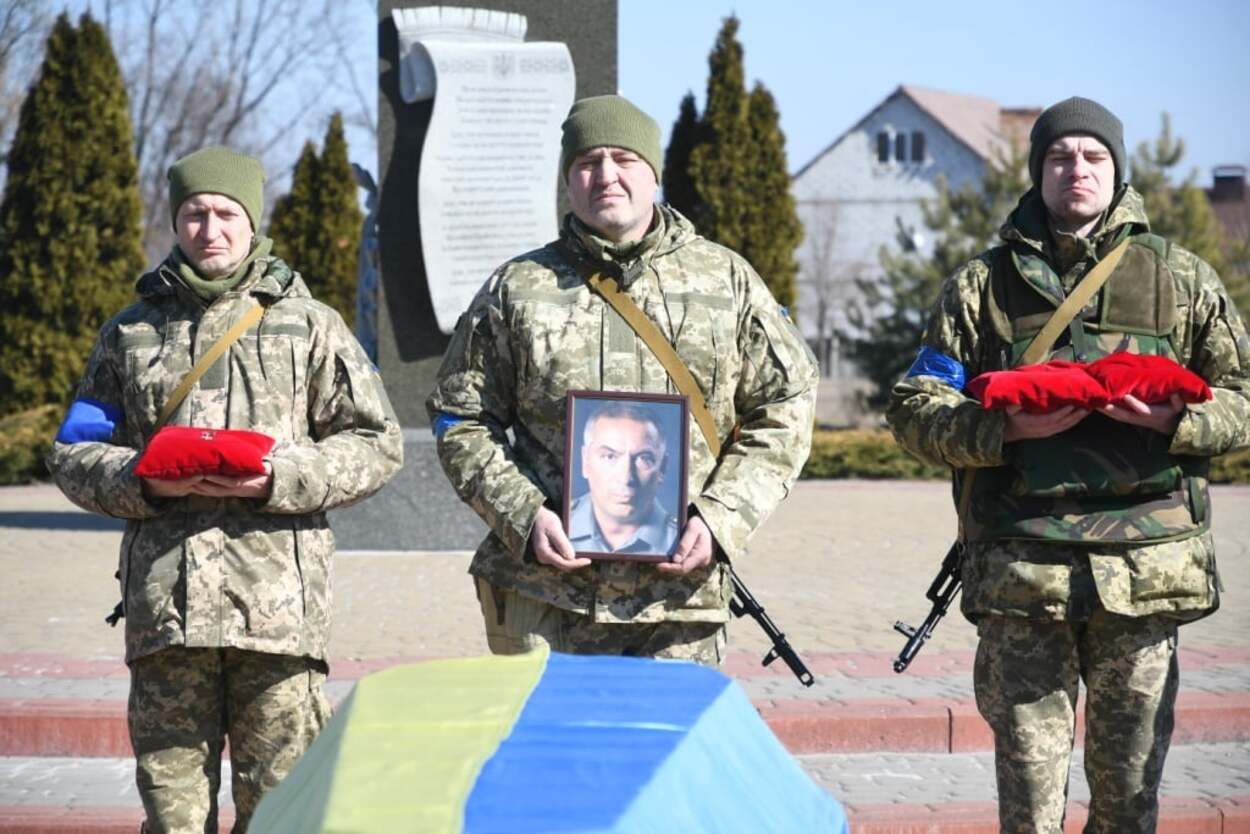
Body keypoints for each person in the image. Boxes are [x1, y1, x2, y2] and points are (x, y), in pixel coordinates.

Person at [887, 97, 1249, 833]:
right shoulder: (980, 286)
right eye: (1059, 156)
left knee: (1128, 800)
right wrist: (999, 428)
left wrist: (1178, 421)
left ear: (1117, 170)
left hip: (1145, 579)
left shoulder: (1181, 278)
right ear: (1037, 170)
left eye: (1092, 156)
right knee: (1028, 807)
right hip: (1023, 578)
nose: (1075, 169)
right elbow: (914, 408)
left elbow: (1243, 396)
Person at [46, 146, 404, 834]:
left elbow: (377, 443)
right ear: (176, 221)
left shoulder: (309, 325)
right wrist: (140, 481)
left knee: (281, 811)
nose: (210, 229)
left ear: (252, 220)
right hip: (167, 613)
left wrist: (281, 477)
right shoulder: (130, 332)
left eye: (226, 213)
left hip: (277, 618)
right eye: (194, 213)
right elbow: (73, 451)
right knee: (172, 815)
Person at [428, 94, 817, 665]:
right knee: (550, 730)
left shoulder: (726, 281)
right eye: (587, 162)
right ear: (568, 180)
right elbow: (459, 416)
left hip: (678, 605)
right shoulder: (517, 289)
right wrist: (522, 513)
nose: (606, 175)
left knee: (668, 731)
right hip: (547, 597)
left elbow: (788, 403)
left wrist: (722, 516)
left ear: (653, 173)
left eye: (624, 159)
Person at [568, 400, 678, 556]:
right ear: (585, 461)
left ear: (663, 468)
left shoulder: (683, 542)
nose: (626, 478)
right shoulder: (555, 527)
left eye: (644, 458)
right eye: (609, 456)